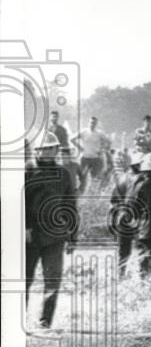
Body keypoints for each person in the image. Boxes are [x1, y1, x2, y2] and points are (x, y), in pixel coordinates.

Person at [24, 132, 77, 328]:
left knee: (52, 281)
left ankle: (45, 322)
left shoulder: (63, 174)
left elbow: (70, 205)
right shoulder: (27, 170)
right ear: (36, 150)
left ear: (56, 150)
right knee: (24, 280)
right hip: (30, 236)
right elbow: (19, 202)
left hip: (55, 236)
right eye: (43, 148)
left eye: (51, 148)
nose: (47, 152)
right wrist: (25, 227)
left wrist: (72, 236)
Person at [109, 151, 143, 273]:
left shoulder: (122, 178)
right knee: (142, 249)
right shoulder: (142, 180)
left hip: (123, 217)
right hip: (138, 218)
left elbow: (113, 201)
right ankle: (145, 276)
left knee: (123, 250)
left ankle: (121, 273)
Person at [72, 116, 110, 193]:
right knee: (82, 177)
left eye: (94, 123)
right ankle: (81, 193)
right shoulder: (83, 132)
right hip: (85, 158)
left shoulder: (99, 133)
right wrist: (80, 147)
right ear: (88, 123)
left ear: (96, 124)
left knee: (95, 178)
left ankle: (93, 194)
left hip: (95, 158)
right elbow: (72, 139)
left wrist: (102, 150)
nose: (92, 124)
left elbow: (108, 142)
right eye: (91, 122)